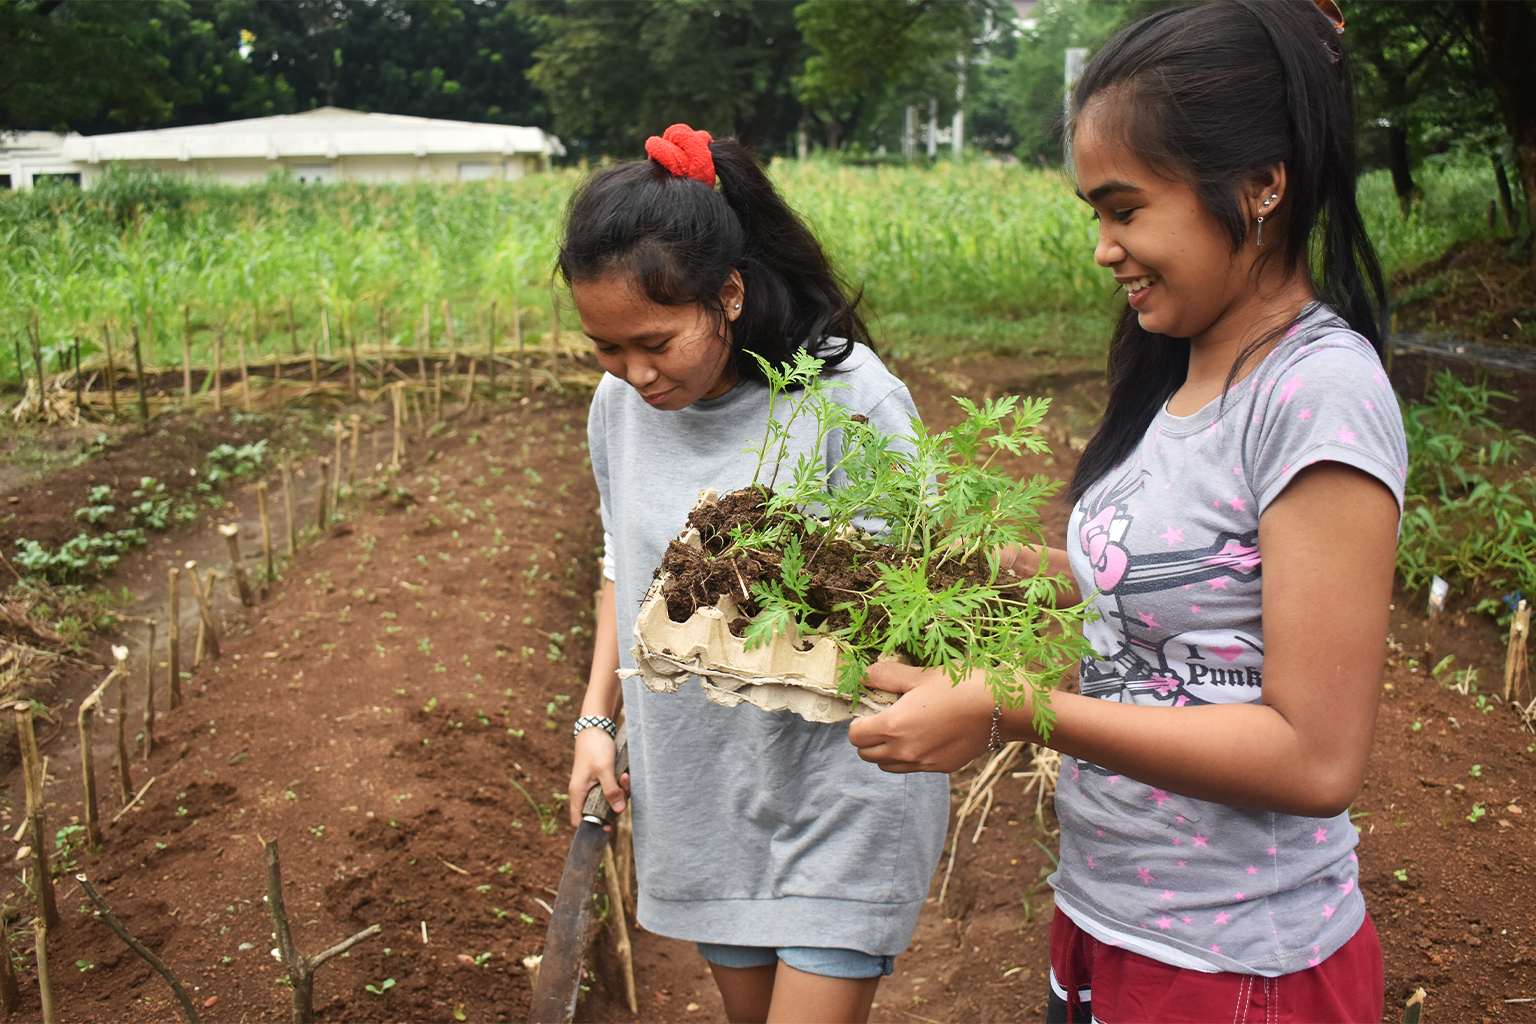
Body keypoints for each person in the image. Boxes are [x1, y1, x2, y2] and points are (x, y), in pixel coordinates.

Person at [849, 3, 1405, 1021]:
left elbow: (1317, 756)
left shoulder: (1317, 392)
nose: (1105, 248)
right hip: (1115, 912)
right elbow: (1166, 575)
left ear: (1260, 186)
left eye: (1124, 208)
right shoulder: (1179, 367)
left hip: (1241, 959)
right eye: (1092, 215)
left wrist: (1013, 709)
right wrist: (970, 562)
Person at [562, 124, 949, 1024]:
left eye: (655, 341)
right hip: (700, 784)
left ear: (728, 293)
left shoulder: (850, 397)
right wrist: (594, 723)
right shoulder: (617, 410)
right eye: (606, 348)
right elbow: (625, 564)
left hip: (840, 777)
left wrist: (792, 581)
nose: (635, 372)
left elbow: (931, 583)